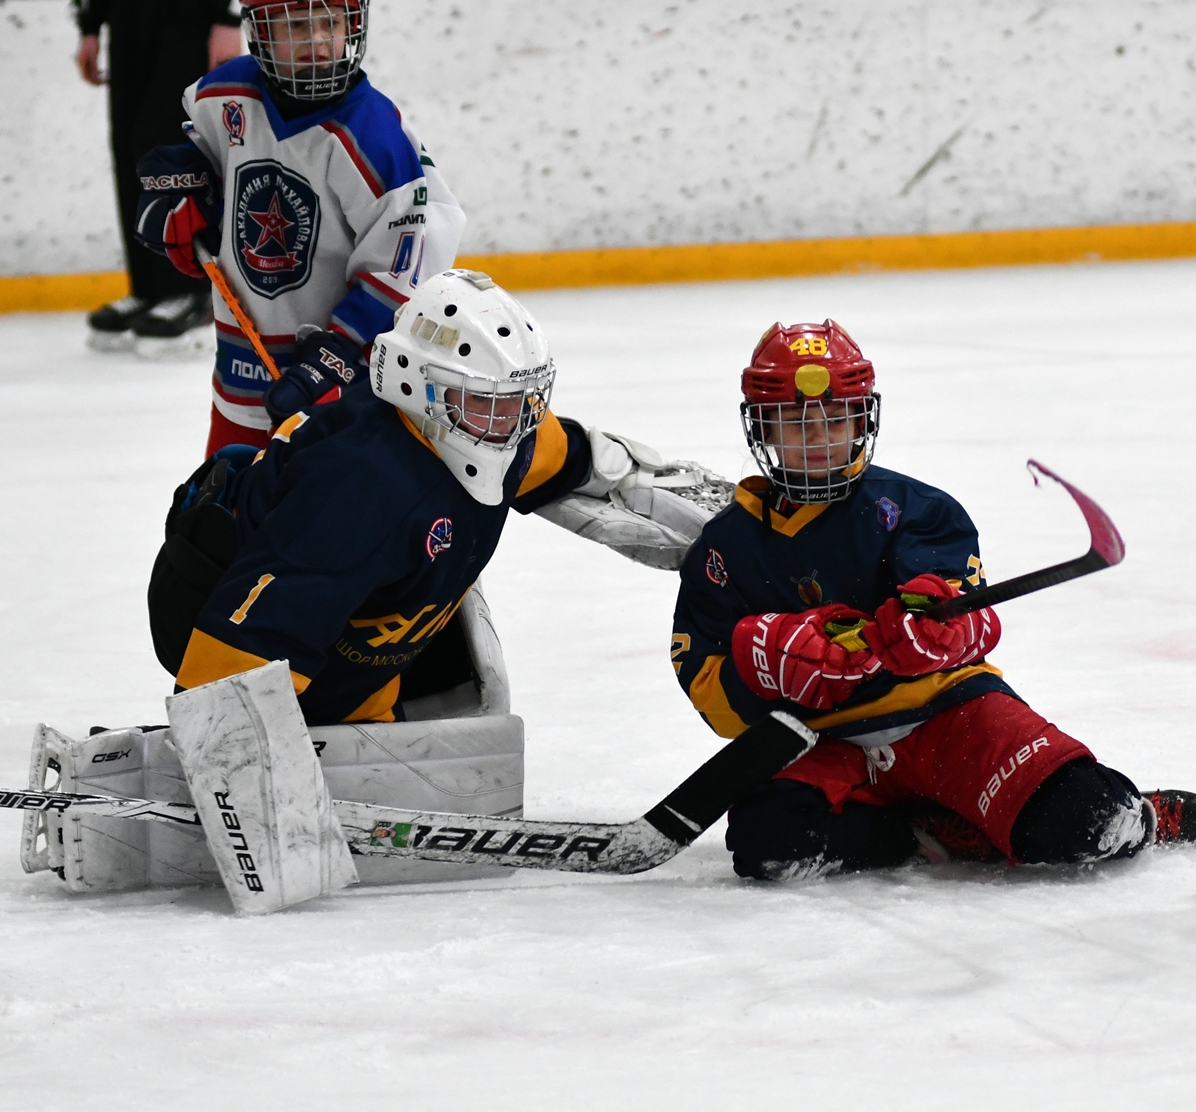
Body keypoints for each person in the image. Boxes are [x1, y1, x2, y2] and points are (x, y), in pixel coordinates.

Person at [669, 320, 1196, 881]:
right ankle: (926, 830)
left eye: (836, 419)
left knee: (1087, 821)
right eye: (794, 422)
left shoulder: (916, 510)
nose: (818, 438)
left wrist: (935, 631)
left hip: (944, 715)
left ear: (863, 419)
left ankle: (1145, 816)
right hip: (824, 741)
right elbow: (704, 682)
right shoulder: (722, 550)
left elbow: (970, 615)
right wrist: (761, 668)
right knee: (770, 848)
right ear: (759, 427)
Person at [153, 268, 726, 725]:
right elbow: (244, 645)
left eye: (521, 401)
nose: (509, 425)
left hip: (348, 612)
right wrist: (231, 756)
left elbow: (595, 467)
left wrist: (749, 532)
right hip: (219, 608)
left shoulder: (496, 430)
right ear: (413, 383)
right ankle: (340, 719)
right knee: (328, 612)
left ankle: (362, 714)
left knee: (443, 619)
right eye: (488, 404)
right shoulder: (360, 491)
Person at [131, 0, 466, 457]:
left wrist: (338, 356)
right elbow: (208, 162)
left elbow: (403, 270)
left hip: (340, 392)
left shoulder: (374, 137)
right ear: (261, 32)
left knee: (323, 522)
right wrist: (181, 190)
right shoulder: (222, 96)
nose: (319, 39)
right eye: (296, 24)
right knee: (215, 521)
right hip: (238, 375)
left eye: (332, 22)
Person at [73, 0, 244, 352]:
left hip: (191, 15)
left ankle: (191, 290)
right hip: (127, 15)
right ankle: (148, 288)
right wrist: (90, 24)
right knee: (129, 145)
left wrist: (229, 16)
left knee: (167, 138)